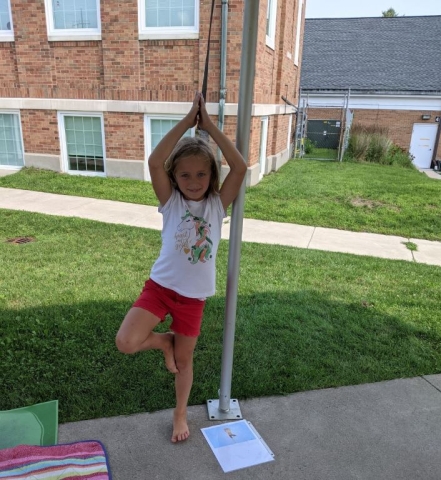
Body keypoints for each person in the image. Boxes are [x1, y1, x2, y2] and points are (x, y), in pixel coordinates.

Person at [115, 92, 246, 443]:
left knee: (184, 364)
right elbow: (155, 161)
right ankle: (163, 342)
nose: (193, 181)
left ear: (211, 175)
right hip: (160, 288)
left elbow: (242, 166)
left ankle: (179, 414)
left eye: (201, 173)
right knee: (126, 341)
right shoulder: (171, 201)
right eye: (185, 174)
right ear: (175, 177)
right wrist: (188, 121)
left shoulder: (218, 205)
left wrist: (210, 127)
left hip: (193, 300)